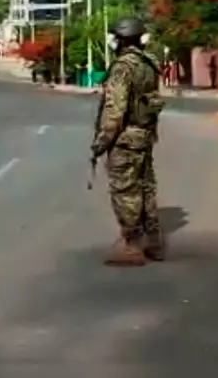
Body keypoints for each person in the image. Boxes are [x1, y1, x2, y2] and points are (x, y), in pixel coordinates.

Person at [90, 17, 165, 266]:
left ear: (121, 39)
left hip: (125, 139)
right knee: (146, 187)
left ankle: (131, 245)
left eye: (114, 37)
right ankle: (154, 242)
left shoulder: (123, 67)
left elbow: (115, 110)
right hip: (144, 134)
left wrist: (101, 143)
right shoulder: (150, 63)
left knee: (125, 191)